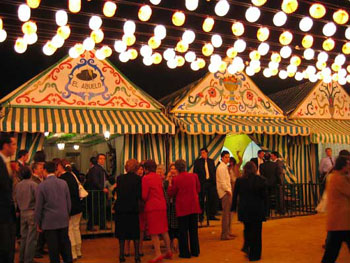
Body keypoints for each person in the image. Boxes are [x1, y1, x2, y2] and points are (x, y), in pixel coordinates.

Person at [35, 161, 72, 263]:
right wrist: (67, 214)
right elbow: (68, 202)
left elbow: (39, 206)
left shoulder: (42, 186)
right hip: (63, 220)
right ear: (55, 170)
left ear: (44, 170)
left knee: (53, 249)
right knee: (65, 246)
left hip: (49, 221)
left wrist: (38, 222)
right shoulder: (63, 183)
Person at [232, 161, 267, 262]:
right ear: (255, 169)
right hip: (257, 210)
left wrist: (233, 208)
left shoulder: (239, 181)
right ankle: (255, 255)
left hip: (245, 210)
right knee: (257, 233)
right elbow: (264, 197)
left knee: (247, 229)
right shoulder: (261, 180)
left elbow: (235, 195)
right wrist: (266, 210)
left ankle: (247, 246)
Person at [168, 159, 201, 258]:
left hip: (182, 208)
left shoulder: (176, 179)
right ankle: (195, 251)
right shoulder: (194, 176)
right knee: (193, 230)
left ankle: (185, 253)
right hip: (194, 206)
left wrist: (170, 183)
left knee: (183, 231)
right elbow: (198, 189)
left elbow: (171, 193)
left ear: (177, 168)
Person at [321, 156, 350, 263]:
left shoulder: (337, 177)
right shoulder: (338, 178)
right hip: (341, 221)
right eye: (348, 164)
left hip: (340, 222)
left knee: (331, 253)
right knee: (330, 254)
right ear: (343, 166)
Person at [142, 160, 172, 263]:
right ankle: (168, 251)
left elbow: (144, 195)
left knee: (154, 232)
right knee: (164, 230)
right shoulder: (158, 177)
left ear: (146, 169)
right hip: (162, 205)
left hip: (152, 207)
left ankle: (158, 254)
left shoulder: (146, 178)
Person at [114, 159, 142, 263]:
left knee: (122, 233)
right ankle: (137, 256)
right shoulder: (138, 179)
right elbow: (139, 195)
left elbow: (118, 192)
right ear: (136, 168)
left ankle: (121, 255)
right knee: (135, 233)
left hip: (121, 208)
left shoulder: (120, 178)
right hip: (133, 209)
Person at [60, 160, 83, 261]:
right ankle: (79, 251)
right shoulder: (73, 175)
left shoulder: (62, 179)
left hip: (69, 208)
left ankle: (73, 253)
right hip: (78, 206)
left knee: (70, 230)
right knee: (76, 228)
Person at [15, 166, 38, 263]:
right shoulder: (33, 184)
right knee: (31, 238)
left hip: (22, 212)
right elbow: (38, 199)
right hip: (32, 212)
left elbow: (15, 199)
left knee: (23, 237)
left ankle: (21, 258)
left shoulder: (18, 185)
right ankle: (29, 259)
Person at [0, 133, 17, 263]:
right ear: (5, 146)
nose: (15, 148)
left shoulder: (7, 163)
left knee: (9, 249)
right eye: (13, 144)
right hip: (2, 215)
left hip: (8, 215)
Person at [193, 147, 218, 223]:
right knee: (201, 200)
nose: (202, 154)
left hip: (211, 182)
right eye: (201, 153)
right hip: (202, 183)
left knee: (212, 198)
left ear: (207, 153)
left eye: (204, 152)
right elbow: (195, 173)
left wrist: (214, 181)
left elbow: (213, 171)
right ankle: (201, 216)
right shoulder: (198, 162)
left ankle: (211, 215)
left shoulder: (211, 161)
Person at [86, 153, 109, 230]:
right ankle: (91, 226)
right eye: (100, 159)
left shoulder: (101, 169)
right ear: (97, 160)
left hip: (100, 192)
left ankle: (102, 225)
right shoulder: (96, 168)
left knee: (101, 209)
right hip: (96, 192)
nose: (102, 160)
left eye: (103, 159)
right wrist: (102, 188)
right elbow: (95, 181)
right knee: (94, 209)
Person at [216, 151, 234, 240]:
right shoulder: (221, 168)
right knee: (226, 214)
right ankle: (224, 234)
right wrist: (228, 190)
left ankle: (228, 232)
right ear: (222, 158)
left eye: (228, 157)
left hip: (227, 191)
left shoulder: (224, 167)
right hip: (225, 193)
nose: (228, 159)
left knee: (229, 214)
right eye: (226, 157)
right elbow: (222, 182)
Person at [164, 163, 179, 253]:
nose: (172, 170)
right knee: (169, 226)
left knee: (176, 225)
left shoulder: (178, 180)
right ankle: (170, 245)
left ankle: (176, 244)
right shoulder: (165, 182)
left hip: (176, 206)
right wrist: (167, 181)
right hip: (168, 207)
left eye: (174, 168)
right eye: (171, 169)